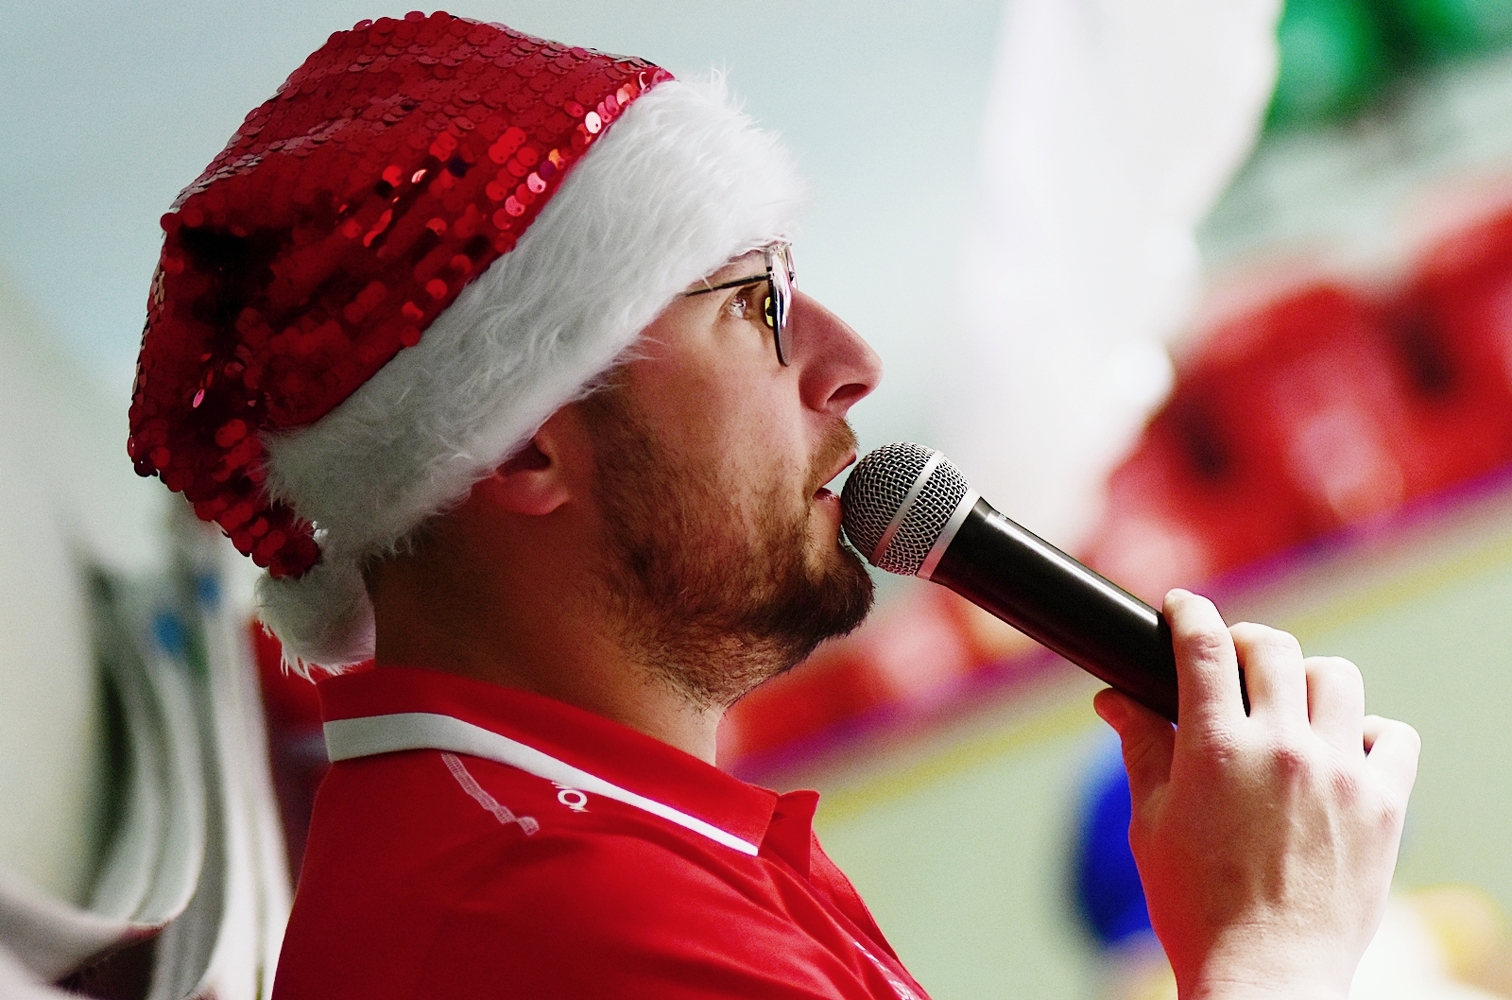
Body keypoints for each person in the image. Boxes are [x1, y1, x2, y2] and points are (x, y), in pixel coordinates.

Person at [129, 12, 1420, 999]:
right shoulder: (563, 927)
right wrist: (1277, 947)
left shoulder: (607, 848)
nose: (851, 362)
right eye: (757, 305)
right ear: (522, 447)